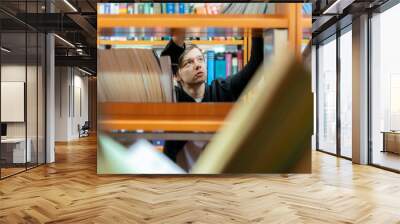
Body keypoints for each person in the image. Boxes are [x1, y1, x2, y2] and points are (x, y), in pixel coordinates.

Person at [161, 29, 264, 170]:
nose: (197, 65)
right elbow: (162, 70)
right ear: (177, 75)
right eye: (188, 63)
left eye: (200, 59)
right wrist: (177, 40)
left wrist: (256, 31)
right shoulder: (172, 97)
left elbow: (256, 65)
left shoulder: (222, 90)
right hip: (179, 179)